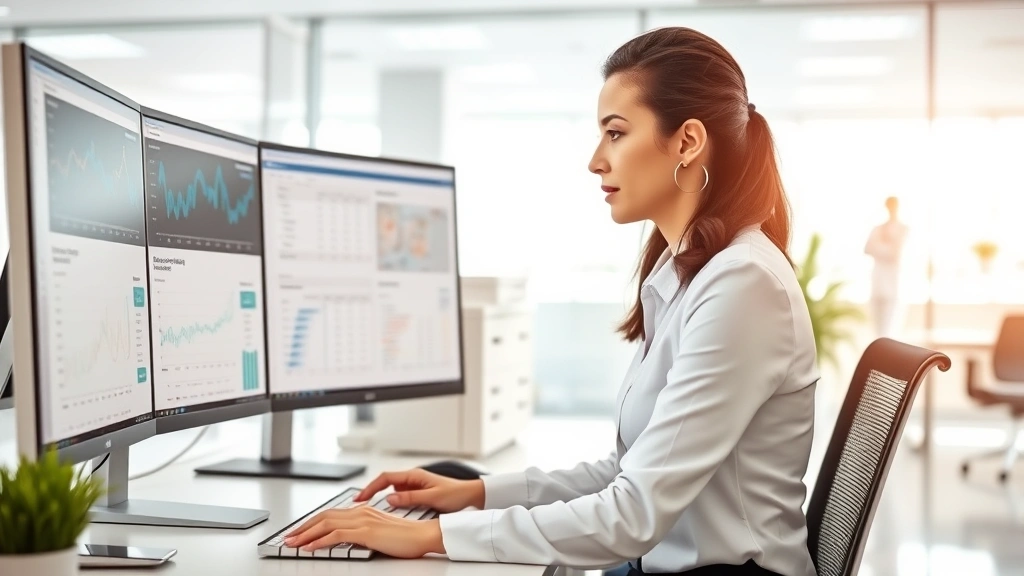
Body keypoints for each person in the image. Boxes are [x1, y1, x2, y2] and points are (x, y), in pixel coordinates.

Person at [282, 27, 819, 576]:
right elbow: (627, 471)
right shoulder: (689, 270)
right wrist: (474, 494)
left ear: (686, 142)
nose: (595, 160)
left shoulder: (742, 284)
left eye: (615, 133)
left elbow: (631, 516)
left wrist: (429, 535)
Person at [864, 196, 908, 338]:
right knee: (877, 331)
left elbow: (895, 254)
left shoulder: (903, 229)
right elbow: (867, 248)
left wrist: (880, 247)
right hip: (877, 284)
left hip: (894, 285)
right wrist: (886, 247)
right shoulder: (878, 228)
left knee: (889, 330)